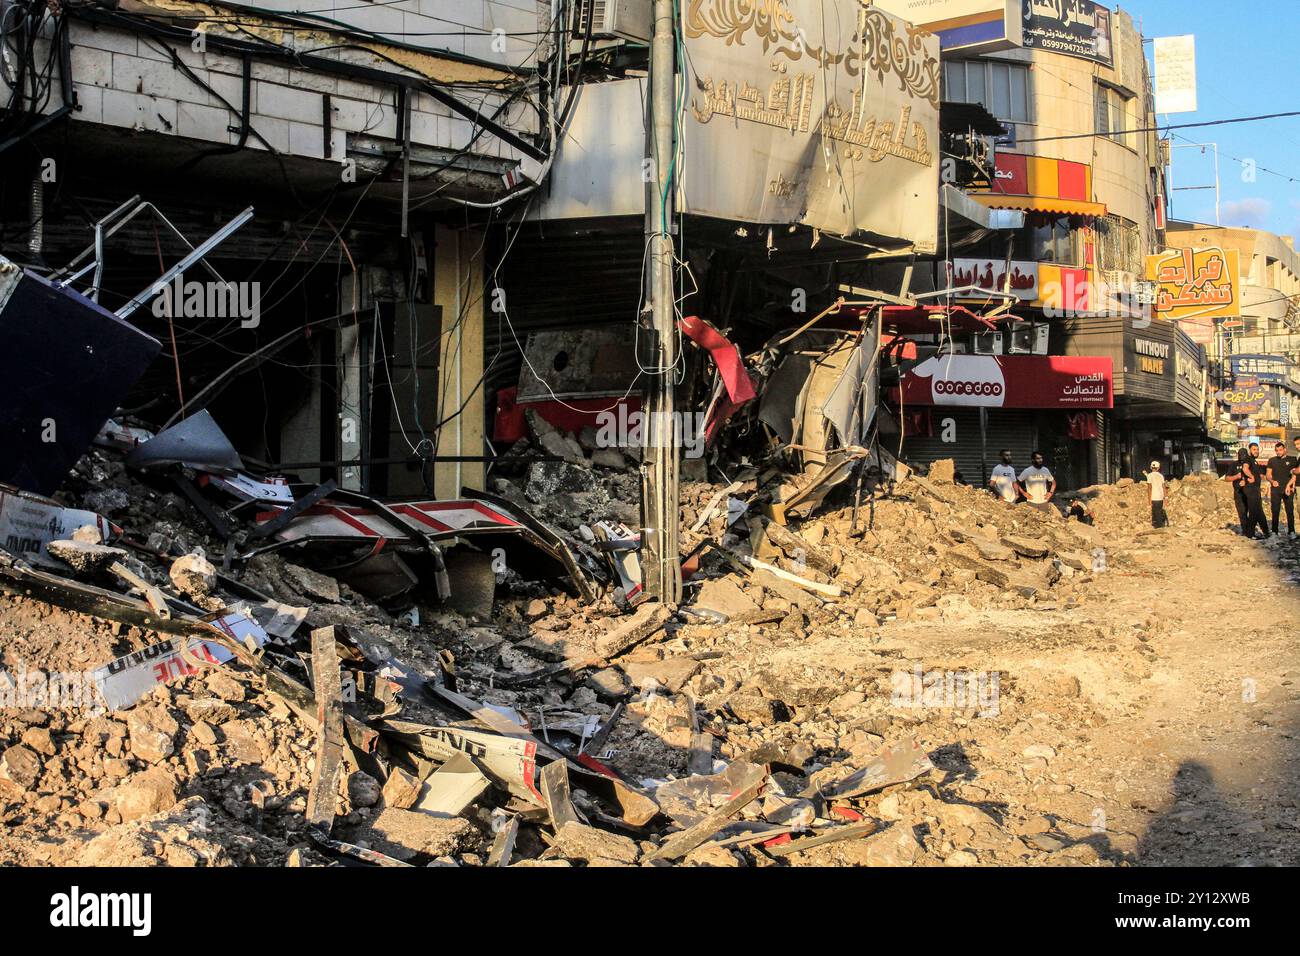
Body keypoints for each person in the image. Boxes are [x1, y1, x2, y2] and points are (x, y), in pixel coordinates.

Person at [1239, 443, 1270, 538]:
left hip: (1255, 489)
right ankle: (1250, 534)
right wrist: (1251, 476)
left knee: (1259, 511)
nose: (1256, 451)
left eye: (1257, 449)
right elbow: (1245, 469)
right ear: (1250, 450)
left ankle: (1266, 532)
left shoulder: (1254, 461)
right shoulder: (1248, 459)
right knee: (1254, 511)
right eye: (1254, 449)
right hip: (1250, 489)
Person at [1267, 440, 1297, 536]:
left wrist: (1292, 486)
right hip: (1275, 490)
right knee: (1275, 510)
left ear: (1285, 450)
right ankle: (1274, 531)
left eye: (1280, 450)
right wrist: (1272, 481)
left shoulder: (1293, 459)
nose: (1278, 452)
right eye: (1276, 450)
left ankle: (1291, 531)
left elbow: (1295, 475)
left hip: (1288, 489)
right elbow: (1268, 475)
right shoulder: (1272, 460)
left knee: (1289, 510)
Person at [1144, 460, 1167, 528]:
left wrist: (1149, 501)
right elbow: (1164, 487)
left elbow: (1149, 488)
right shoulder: (1161, 476)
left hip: (1154, 497)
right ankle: (1158, 525)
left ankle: (1159, 527)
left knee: (1156, 513)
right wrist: (1166, 498)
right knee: (1158, 512)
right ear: (1158, 468)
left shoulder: (1149, 476)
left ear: (1151, 467)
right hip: (1160, 497)